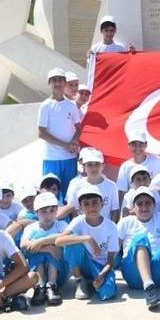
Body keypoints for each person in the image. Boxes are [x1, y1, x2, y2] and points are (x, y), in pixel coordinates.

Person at [55, 185, 120, 301]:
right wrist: (88, 238)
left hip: (101, 267)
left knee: (108, 293)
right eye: (86, 204)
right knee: (72, 241)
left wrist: (102, 275)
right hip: (84, 263)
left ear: (102, 204)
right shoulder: (78, 221)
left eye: (95, 202)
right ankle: (80, 280)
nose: (91, 207)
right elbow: (59, 241)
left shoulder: (111, 227)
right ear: (80, 208)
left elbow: (111, 261)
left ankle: (93, 282)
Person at [38, 67, 82, 202]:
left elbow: (78, 128)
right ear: (49, 83)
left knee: (69, 193)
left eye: (60, 80)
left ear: (65, 83)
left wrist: (74, 141)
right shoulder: (45, 105)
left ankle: (66, 222)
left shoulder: (71, 105)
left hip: (69, 158)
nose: (57, 83)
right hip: (52, 158)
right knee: (50, 195)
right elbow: (41, 133)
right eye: (54, 80)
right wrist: (65, 145)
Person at [21, 192, 68, 307]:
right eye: (43, 211)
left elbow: (65, 237)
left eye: (52, 211)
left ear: (57, 211)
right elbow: (23, 244)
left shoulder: (61, 225)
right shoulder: (31, 228)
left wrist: (41, 242)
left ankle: (52, 285)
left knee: (52, 243)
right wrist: (47, 248)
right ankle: (40, 286)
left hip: (59, 271)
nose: (48, 216)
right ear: (36, 213)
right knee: (35, 244)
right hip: (37, 270)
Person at [60, 147, 119, 222]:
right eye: (90, 164)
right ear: (84, 166)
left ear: (103, 166)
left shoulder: (112, 186)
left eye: (97, 164)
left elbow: (115, 211)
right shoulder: (75, 185)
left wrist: (111, 229)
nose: (94, 168)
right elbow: (73, 210)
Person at [116, 129, 160, 203]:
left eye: (141, 144)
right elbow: (122, 193)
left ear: (146, 144)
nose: (137, 147)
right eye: (134, 144)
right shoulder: (125, 167)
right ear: (129, 146)